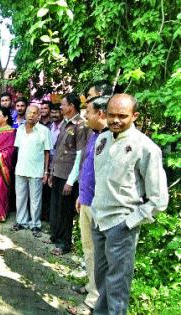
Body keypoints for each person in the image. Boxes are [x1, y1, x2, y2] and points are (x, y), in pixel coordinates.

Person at [91, 94, 168, 314]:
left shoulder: (146, 147)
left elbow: (159, 198)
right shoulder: (103, 139)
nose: (115, 120)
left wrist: (130, 222)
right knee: (102, 281)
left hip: (121, 226)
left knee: (117, 287)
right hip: (98, 221)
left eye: (122, 116)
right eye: (111, 114)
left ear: (134, 116)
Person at [67, 96, 110, 315]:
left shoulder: (111, 138)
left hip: (100, 206)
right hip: (86, 200)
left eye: (89, 111)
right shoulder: (94, 135)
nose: (85, 115)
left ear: (100, 113)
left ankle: (93, 300)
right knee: (88, 249)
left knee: (98, 253)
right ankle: (92, 288)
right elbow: (87, 166)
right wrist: (81, 195)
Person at [49, 92, 88, 255]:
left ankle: (65, 244)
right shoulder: (65, 123)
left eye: (63, 104)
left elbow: (80, 155)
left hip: (68, 176)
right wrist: (51, 172)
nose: (61, 107)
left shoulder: (81, 125)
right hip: (58, 172)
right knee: (56, 207)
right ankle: (55, 237)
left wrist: (71, 181)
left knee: (65, 211)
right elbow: (58, 150)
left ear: (71, 107)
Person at [12, 105, 51, 236]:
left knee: (35, 199)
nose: (31, 115)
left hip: (36, 171)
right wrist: (17, 167)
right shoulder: (20, 130)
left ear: (39, 115)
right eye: (29, 113)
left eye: (34, 113)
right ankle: (21, 221)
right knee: (20, 197)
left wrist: (46, 172)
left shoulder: (44, 131)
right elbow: (18, 150)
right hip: (21, 169)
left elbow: (47, 152)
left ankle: (35, 224)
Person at [43, 102, 64, 221]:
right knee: (47, 191)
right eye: (52, 112)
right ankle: (47, 217)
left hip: (60, 164)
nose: (54, 115)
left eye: (57, 112)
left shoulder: (65, 128)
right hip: (48, 163)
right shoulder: (50, 127)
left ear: (62, 112)